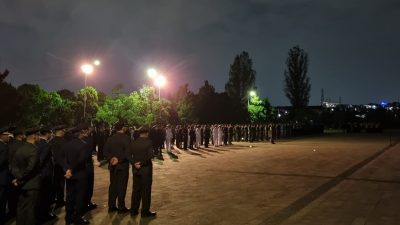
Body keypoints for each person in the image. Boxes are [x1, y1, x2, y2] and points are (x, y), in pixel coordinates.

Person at [10, 127, 41, 225]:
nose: (39, 137)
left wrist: (17, 178)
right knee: (30, 210)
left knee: (21, 208)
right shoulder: (34, 149)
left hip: (20, 184)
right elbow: (30, 169)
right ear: (34, 136)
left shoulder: (20, 149)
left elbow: (13, 166)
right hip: (31, 184)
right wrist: (20, 179)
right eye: (38, 135)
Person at [63, 124, 91, 225]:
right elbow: (81, 159)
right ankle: (77, 219)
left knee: (70, 197)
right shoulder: (83, 145)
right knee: (79, 197)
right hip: (80, 174)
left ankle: (68, 218)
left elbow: (64, 160)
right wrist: (71, 169)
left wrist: (67, 170)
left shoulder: (67, 144)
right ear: (79, 134)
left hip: (69, 175)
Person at [128, 125, 156, 218]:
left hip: (136, 170)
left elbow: (127, 155)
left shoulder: (133, 142)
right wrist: (142, 163)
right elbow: (150, 155)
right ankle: (145, 212)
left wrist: (134, 163)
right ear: (147, 133)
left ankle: (133, 210)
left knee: (136, 190)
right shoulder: (149, 142)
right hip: (145, 170)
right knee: (146, 191)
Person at [103, 122, 130, 214]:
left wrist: (111, 159)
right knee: (122, 186)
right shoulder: (126, 138)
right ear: (122, 128)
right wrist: (119, 159)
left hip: (113, 166)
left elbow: (105, 151)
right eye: (125, 126)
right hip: (122, 166)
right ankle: (121, 207)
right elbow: (127, 152)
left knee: (113, 186)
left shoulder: (110, 138)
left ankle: (111, 206)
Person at [37, 126, 57, 222]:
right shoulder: (46, 145)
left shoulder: (37, 143)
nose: (51, 134)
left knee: (41, 195)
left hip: (40, 174)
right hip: (46, 174)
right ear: (48, 133)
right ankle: (44, 215)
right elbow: (42, 160)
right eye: (50, 132)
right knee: (46, 195)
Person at [7, 128, 25, 221]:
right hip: (20, 174)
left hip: (10, 174)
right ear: (20, 135)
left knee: (11, 195)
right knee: (20, 195)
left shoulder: (8, 145)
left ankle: (12, 212)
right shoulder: (22, 145)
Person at [49, 125, 67, 208]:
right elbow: (63, 155)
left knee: (55, 183)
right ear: (60, 131)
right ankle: (60, 200)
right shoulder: (63, 141)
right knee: (61, 184)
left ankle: (54, 199)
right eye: (63, 130)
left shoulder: (51, 141)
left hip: (53, 166)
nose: (64, 132)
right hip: (61, 165)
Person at [0, 126, 11, 225]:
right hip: (2, 179)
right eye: (7, 135)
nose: (8, 137)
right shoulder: (3, 147)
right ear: (2, 135)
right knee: (2, 201)